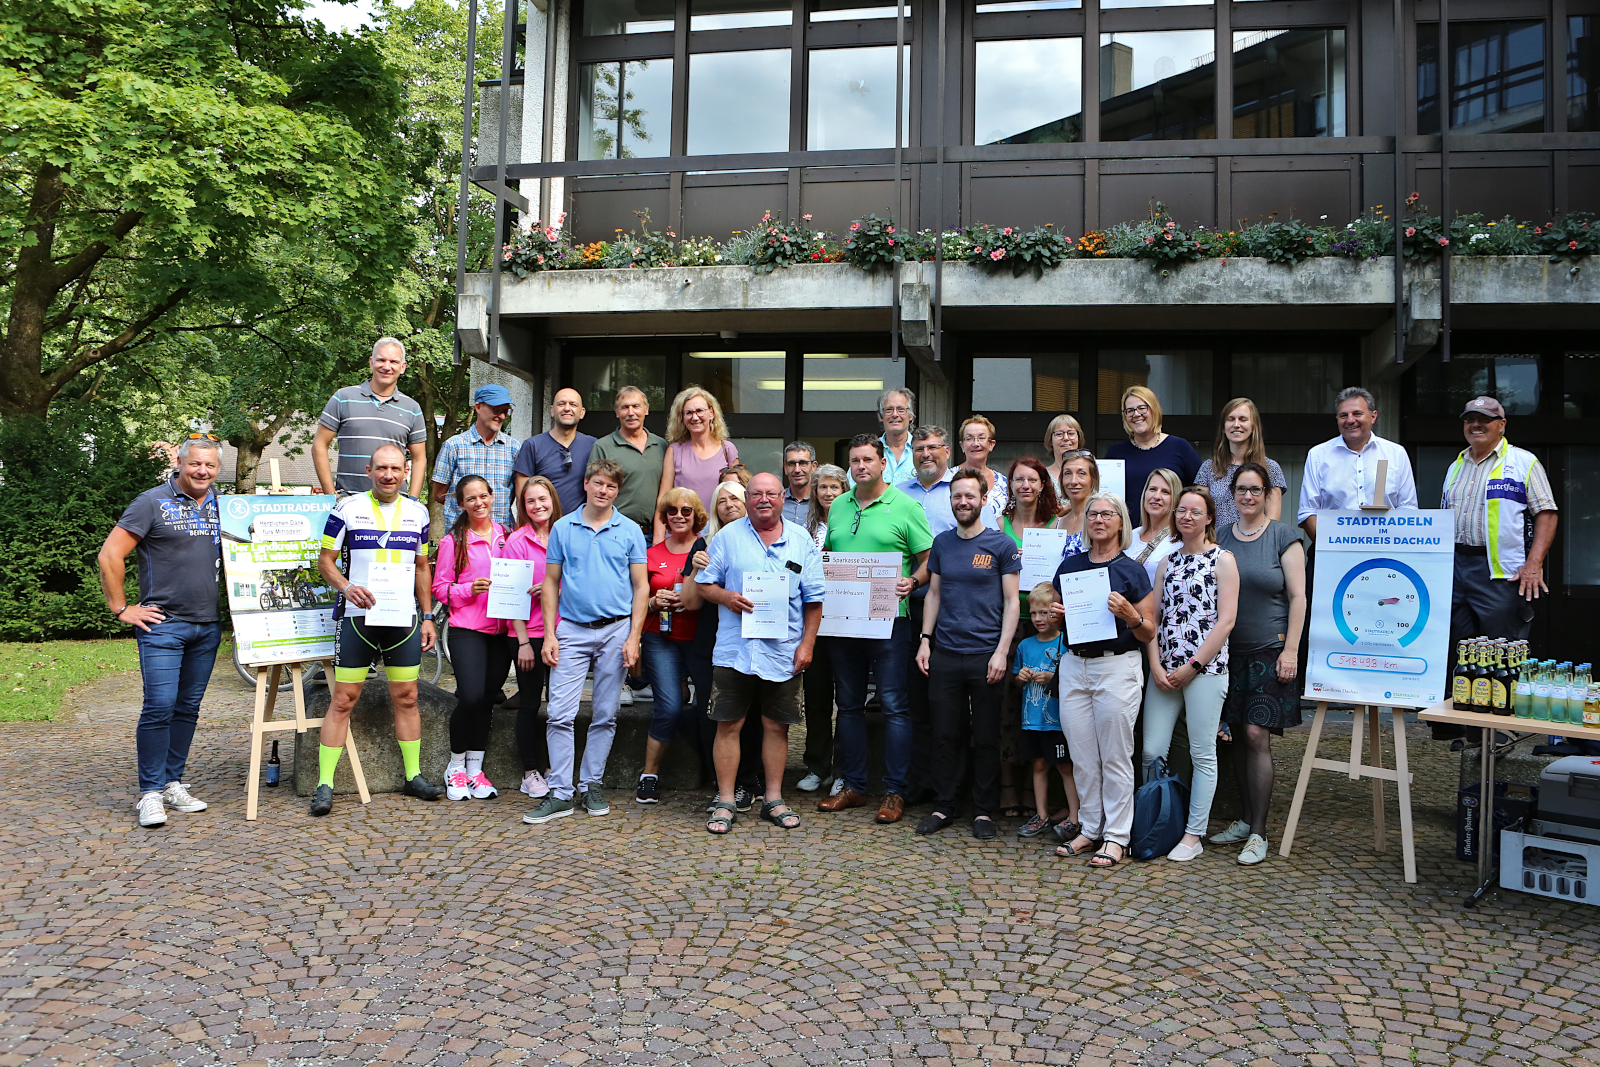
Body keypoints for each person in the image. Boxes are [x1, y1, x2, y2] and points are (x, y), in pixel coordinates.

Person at [98, 435, 224, 829]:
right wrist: (121, 608)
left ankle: (173, 783)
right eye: (195, 464)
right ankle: (150, 793)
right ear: (180, 462)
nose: (202, 471)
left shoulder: (225, 506)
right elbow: (109, 554)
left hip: (208, 625)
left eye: (210, 466)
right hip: (162, 625)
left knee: (187, 707)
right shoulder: (151, 502)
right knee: (159, 705)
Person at [313, 443, 445, 816]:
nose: (389, 475)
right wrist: (345, 587)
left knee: (407, 697)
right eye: (381, 468)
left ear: (406, 471)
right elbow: (325, 560)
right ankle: (325, 784)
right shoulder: (346, 508)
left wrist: (428, 615)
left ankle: (414, 776)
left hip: (402, 618)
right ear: (369, 470)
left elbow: (422, 567)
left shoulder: (418, 512)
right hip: (358, 618)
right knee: (343, 699)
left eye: (395, 469)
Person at [697, 473, 826, 834]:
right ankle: (724, 799)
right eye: (756, 494)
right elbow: (705, 584)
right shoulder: (728, 537)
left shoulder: (800, 540)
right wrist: (726, 597)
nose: (764, 499)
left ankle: (773, 798)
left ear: (783, 497)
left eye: (771, 493)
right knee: (729, 724)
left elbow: (815, 600)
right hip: (734, 650)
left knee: (776, 727)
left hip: (783, 651)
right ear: (748, 498)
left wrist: (808, 644)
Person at [523, 458, 649, 824]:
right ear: (586, 484)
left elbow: (641, 587)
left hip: (615, 629)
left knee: (606, 714)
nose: (603, 491)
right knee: (560, 714)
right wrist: (549, 633)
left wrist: (634, 636)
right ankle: (561, 792)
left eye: (610, 486)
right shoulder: (564, 528)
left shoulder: (629, 531)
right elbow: (550, 582)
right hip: (573, 630)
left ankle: (590, 784)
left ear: (616, 491)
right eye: (598, 483)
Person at [819, 434, 934, 824]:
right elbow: (829, 556)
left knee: (894, 706)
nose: (860, 467)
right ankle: (853, 786)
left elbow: (929, 559)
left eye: (868, 459)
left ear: (883, 462)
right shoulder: (837, 506)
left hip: (890, 621)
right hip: (843, 622)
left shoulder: (906, 506)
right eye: (854, 461)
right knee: (848, 706)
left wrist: (913, 582)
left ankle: (894, 791)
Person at [1438, 395, 1560, 740]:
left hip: (1501, 573)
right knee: (1461, 650)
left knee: (1501, 651)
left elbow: (1547, 514)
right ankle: (1471, 728)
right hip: (1457, 568)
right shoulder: (1455, 465)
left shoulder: (1523, 462)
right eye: (1470, 419)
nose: (1476, 424)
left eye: (1485, 419)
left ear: (1501, 425)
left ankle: (1502, 731)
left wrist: (1534, 563)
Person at [913, 468, 1022, 839]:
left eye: (970, 496)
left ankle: (983, 811)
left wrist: (1002, 652)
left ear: (982, 499)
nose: (963, 502)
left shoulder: (1001, 545)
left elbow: (1012, 603)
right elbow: (935, 594)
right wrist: (925, 640)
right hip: (945, 651)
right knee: (944, 733)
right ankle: (944, 805)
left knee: (986, 735)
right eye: (957, 496)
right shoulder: (942, 543)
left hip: (986, 654)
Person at [1050, 491, 1157, 869]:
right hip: (1074, 665)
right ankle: (1090, 827)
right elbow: (1060, 621)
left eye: (1106, 514)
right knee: (1082, 755)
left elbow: (1147, 632)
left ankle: (1117, 836)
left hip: (1116, 666)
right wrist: (1058, 614)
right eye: (1093, 514)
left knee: (1115, 755)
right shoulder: (1070, 567)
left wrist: (1130, 614)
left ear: (1120, 522)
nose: (1098, 519)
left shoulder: (1132, 570)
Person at [1212, 462, 1306, 865]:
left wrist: (1291, 651)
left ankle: (1259, 832)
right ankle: (1243, 818)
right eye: (1240, 490)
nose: (1247, 496)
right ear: (1232, 495)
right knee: (1233, 735)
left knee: (1255, 734)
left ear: (1268, 493)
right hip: (1228, 651)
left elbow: (1299, 597)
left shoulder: (1284, 536)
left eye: (1255, 489)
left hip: (1271, 647)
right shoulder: (1218, 538)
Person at [1142, 486, 1238, 862]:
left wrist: (1193, 665)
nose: (1186, 517)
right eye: (1181, 511)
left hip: (1206, 670)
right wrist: (1154, 663)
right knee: (1151, 749)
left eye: (1195, 512)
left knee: (1202, 753)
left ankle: (1193, 833)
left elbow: (1226, 619)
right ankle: (1154, 818)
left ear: (1209, 518)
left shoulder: (1222, 560)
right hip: (1163, 671)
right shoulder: (1167, 562)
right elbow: (1154, 618)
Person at [684, 481, 765, 808]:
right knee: (713, 714)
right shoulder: (704, 544)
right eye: (722, 500)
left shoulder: (763, 542)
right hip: (710, 643)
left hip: (753, 638)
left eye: (735, 498)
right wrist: (695, 568)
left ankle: (749, 780)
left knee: (753, 713)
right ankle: (721, 783)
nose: (729, 504)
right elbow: (689, 603)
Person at [431, 476, 512, 801]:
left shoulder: (506, 536)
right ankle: (456, 767)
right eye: (471, 499)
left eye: (483, 496)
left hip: (501, 630)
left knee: (489, 698)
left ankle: (476, 770)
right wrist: (468, 589)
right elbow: (439, 588)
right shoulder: (454, 541)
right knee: (471, 697)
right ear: (461, 504)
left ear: (492, 497)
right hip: (467, 629)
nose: (479, 503)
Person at [633, 486, 707, 804]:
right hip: (660, 637)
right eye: (672, 511)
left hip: (699, 639)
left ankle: (714, 768)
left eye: (686, 511)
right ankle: (649, 775)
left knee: (709, 707)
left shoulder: (706, 550)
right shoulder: (650, 555)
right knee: (669, 707)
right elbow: (634, 598)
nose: (679, 516)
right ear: (664, 517)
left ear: (697, 516)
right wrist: (653, 600)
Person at [895, 424, 956, 805]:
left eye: (933, 447)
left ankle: (951, 783)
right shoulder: (897, 494)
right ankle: (919, 782)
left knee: (947, 699)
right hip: (909, 605)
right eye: (919, 448)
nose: (926, 454)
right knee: (914, 696)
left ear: (947, 451)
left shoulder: (963, 490)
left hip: (953, 605)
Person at [996, 455, 1059, 816]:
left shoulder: (1056, 524)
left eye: (1032, 480)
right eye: (1018, 480)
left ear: (1042, 485)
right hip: (1008, 621)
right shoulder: (998, 523)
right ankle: (1007, 787)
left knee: (1045, 701)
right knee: (1007, 704)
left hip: (1045, 622)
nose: (1025, 486)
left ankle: (1044, 792)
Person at [503, 475, 563, 800]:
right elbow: (511, 596)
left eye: (543, 499)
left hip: (562, 632)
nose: (538, 506)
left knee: (559, 704)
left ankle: (557, 768)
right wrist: (523, 641)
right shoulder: (516, 541)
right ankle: (530, 772)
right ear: (523, 507)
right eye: (530, 501)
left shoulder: (565, 535)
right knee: (529, 704)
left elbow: (579, 583)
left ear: (552, 499)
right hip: (528, 634)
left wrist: (555, 589)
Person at [1297, 386, 1418, 539]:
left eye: (1357, 414)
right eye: (1343, 415)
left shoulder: (1396, 453)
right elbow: (1308, 511)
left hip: (1386, 550)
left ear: (1373, 416)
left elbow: (1408, 509)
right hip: (1331, 552)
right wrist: (1328, 547)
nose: (1350, 420)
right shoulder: (1318, 455)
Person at [314, 337, 429, 498]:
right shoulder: (343, 398)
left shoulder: (412, 408)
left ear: (402, 367)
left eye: (393, 362)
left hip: (394, 505)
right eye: (381, 360)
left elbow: (419, 459)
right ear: (371, 362)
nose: (386, 367)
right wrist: (331, 495)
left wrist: (413, 500)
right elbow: (319, 445)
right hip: (348, 502)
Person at [1012, 583, 1079, 841]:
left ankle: (1074, 817)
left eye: (1046, 613)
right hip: (1032, 720)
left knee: (1064, 767)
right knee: (1038, 765)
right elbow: (1016, 679)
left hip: (1058, 722)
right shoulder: (1025, 645)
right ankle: (1041, 815)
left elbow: (1073, 679)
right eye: (1035, 613)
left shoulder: (1066, 644)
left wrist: (1052, 676)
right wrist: (1021, 677)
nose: (1040, 619)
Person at [798, 465, 848, 794]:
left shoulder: (853, 523)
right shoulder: (806, 528)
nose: (828, 493)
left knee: (847, 699)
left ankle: (844, 769)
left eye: (835, 487)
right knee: (816, 699)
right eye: (823, 487)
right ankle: (818, 766)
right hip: (814, 622)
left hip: (847, 620)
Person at [656, 386, 738, 542]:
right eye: (688, 413)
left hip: (718, 534)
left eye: (699, 411)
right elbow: (663, 500)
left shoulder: (727, 450)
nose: (695, 417)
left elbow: (736, 496)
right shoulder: (674, 451)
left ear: (711, 413)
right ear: (682, 418)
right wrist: (659, 540)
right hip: (681, 536)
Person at [432, 384, 520, 528]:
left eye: (505, 411)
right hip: (462, 536)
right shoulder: (454, 446)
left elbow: (519, 493)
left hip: (501, 537)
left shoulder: (514, 448)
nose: (502, 416)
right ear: (478, 407)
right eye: (496, 410)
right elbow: (439, 495)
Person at [1197, 398, 1288, 528]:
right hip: (1216, 544)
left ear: (1253, 427)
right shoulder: (1209, 468)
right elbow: (1200, 515)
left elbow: (1272, 523)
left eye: (1243, 419)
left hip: (1255, 545)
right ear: (1223, 427)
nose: (1236, 424)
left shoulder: (1270, 468)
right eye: (1230, 419)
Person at [589, 386, 666, 535]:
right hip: (615, 532)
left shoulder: (661, 445)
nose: (631, 413)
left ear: (646, 410)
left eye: (636, 406)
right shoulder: (603, 447)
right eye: (625, 407)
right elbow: (593, 493)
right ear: (617, 412)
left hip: (653, 534)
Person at [1104, 385, 1203, 498]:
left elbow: (1199, 493)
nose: (1136, 414)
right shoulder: (1115, 452)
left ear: (1154, 410)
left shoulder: (1180, 447)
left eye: (1142, 408)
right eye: (1130, 410)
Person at [514, 387, 597, 517]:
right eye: (561, 404)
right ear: (552, 410)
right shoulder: (532, 446)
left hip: (580, 528)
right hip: (544, 527)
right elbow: (522, 495)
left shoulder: (593, 446)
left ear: (582, 412)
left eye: (573, 404)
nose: (567, 408)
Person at [1128, 468, 1182, 584]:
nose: (1157, 496)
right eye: (1152, 489)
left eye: (1165, 492)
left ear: (1176, 499)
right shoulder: (1131, 535)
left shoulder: (1179, 541)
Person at [955, 415, 1008, 527]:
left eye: (981, 438)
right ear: (962, 446)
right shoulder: (948, 478)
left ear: (991, 444)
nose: (976, 443)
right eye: (969, 438)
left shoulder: (1005, 484)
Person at [1049, 449, 1098, 558]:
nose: (1073, 481)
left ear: (1093, 479)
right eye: (1068, 473)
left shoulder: (1101, 520)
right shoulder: (1055, 525)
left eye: (1081, 473)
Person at [1043, 414, 1086, 493]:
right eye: (1059, 434)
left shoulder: (1090, 472)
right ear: (1050, 440)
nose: (1066, 438)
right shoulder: (1042, 475)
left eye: (1071, 433)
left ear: (1079, 438)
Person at [781, 442, 818, 525]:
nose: (797, 470)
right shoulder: (776, 501)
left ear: (814, 466)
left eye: (803, 463)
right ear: (785, 468)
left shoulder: (821, 502)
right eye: (791, 464)